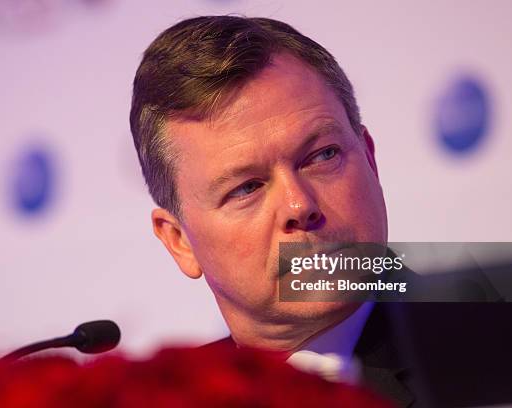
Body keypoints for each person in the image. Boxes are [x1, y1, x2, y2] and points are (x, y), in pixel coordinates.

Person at [129, 15, 405, 406]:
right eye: (247, 188)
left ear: (370, 160)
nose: (299, 205)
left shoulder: (499, 352)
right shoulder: (168, 398)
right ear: (179, 242)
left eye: (322, 156)